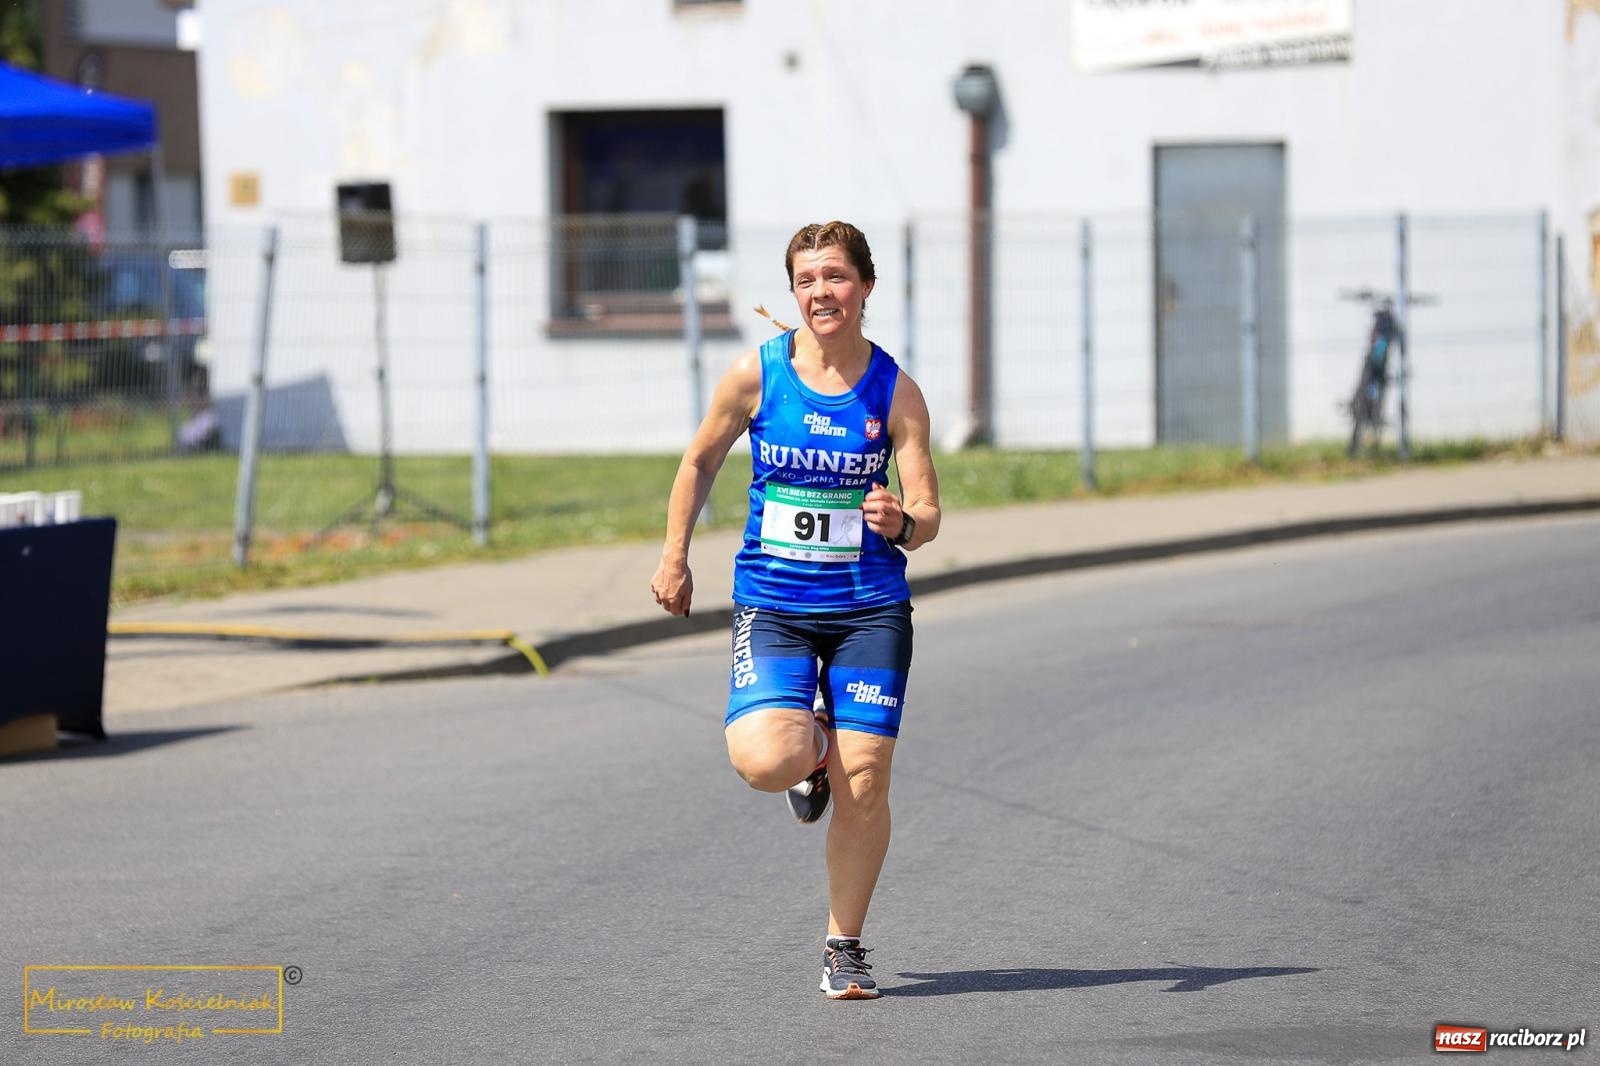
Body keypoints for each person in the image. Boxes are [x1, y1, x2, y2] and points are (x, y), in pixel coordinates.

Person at [651, 220, 941, 1000]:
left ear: (866, 288)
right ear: (794, 293)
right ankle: (809, 752)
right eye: (808, 280)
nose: (822, 293)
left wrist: (901, 523)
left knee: (868, 781)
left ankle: (844, 945)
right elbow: (700, 458)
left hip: (869, 608)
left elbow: (927, 511)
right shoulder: (757, 376)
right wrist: (676, 553)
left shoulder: (894, 390)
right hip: (774, 603)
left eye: (837, 278)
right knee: (764, 761)